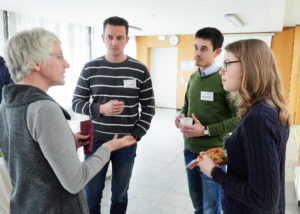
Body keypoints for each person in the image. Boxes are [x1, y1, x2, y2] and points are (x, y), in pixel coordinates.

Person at [0, 28, 136, 214]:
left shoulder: (7, 104)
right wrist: (108, 148)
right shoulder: (44, 108)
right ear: (35, 63)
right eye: (59, 56)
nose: (67, 64)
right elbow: (75, 181)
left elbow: (29, 158)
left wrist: (69, 141)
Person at [72, 16, 155, 214]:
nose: (114, 42)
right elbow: (76, 103)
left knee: (120, 195)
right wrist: (101, 109)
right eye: (110, 37)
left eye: (119, 37)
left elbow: (149, 107)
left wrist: (134, 136)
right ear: (102, 37)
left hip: (126, 144)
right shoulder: (90, 68)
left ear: (127, 39)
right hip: (97, 142)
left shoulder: (139, 70)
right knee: (91, 195)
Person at [198, 39, 290, 214]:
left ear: (250, 67)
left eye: (227, 64)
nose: (221, 71)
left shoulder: (257, 119)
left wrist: (213, 171)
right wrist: (225, 156)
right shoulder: (270, 109)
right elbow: (263, 165)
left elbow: (263, 199)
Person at [174, 27, 238, 214]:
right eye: (195, 47)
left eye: (203, 49)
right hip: (189, 149)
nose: (197, 53)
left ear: (217, 52)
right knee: (197, 204)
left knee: (212, 206)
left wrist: (206, 130)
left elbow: (238, 118)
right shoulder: (193, 77)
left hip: (214, 152)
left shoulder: (224, 79)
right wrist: (180, 118)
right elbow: (186, 106)